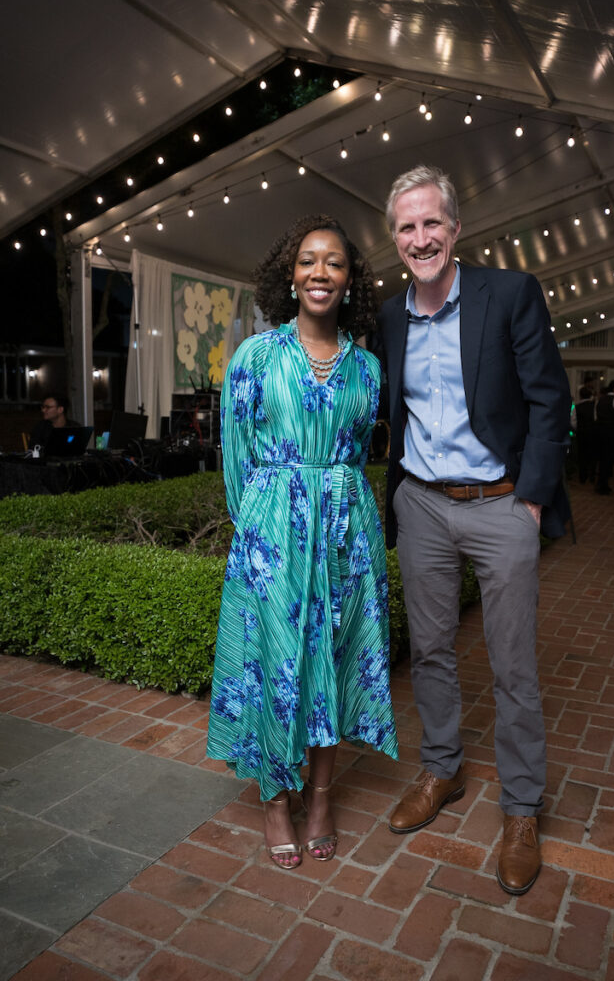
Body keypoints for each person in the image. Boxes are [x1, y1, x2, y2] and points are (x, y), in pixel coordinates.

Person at [376, 165, 571, 896]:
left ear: (455, 230)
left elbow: (550, 401)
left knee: (513, 663)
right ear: (394, 239)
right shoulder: (390, 315)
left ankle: (521, 809)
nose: (420, 238)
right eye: (406, 227)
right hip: (421, 503)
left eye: (431, 223)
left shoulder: (509, 294)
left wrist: (531, 500)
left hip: (500, 503)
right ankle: (443, 769)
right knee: (428, 649)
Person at [207, 214, 398, 871]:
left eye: (335, 263)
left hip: (345, 537)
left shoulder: (369, 368)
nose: (321, 272)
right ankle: (274, 800)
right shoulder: (255, 358)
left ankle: (320, 798)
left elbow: (360, 459)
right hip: (273, 538)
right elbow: (236, 462)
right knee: (272, 669)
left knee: (329, 667)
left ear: (350, 281)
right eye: (309, 261)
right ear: (289, 275)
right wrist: (260, 538)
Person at [571, 385, 597, 483]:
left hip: (581, 433)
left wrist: (578, 429)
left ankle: (582, 477)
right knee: (592, 455)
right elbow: (595, 418)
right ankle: (592, 477)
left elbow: (573, 422)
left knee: (582, 455)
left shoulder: (576, 407)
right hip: (592, 433)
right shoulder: (594, 405)